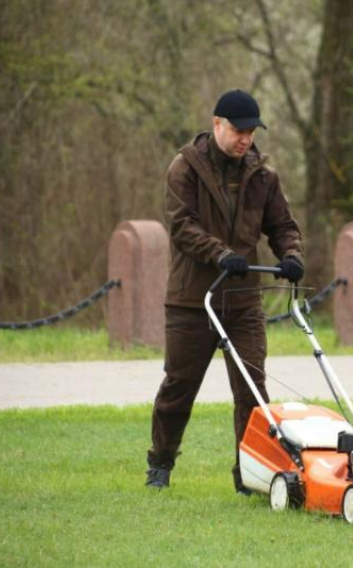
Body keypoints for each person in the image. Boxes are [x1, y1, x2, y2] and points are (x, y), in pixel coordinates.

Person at [146, 89, 305, 493]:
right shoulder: (184, 168)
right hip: (191, 300)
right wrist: (220, 254)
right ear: (217, 124)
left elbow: (283, 225)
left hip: (243, 302)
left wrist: (291, 254)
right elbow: (182, 227)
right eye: (238, 130)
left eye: (252, 132)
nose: (246, 139)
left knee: (253, 391)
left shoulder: (263, 176)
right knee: (178, 389)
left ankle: (249, 477)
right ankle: (160, 465)